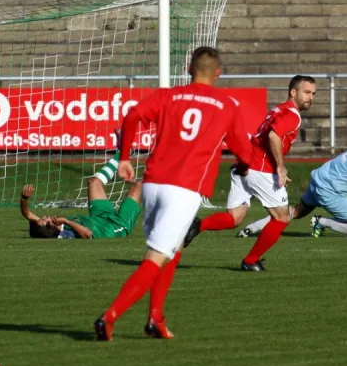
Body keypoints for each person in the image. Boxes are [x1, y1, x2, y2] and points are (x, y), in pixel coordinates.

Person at [93, 46, 252, 341]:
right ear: (218, 73)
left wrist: (125, 157)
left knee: (172, 249)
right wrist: (244, 166)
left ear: (189, 69)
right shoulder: (227, 105)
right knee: (156, 257)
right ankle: (109, 316)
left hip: (153, 184)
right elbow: (243, 150)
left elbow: (132, 116)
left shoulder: (168, 96)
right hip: (186, 189)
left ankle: (155, 319)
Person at [184, 75, 317, 272]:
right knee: (281, 218)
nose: (310, 98)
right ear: (293, 92)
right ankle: (250, 260)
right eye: (306, 92)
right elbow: (273, 136)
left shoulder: (279, 109)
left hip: (244, 165)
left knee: (235, 218)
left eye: (313, 94)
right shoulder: (292, 115)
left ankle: (197, 226)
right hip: (259, 170)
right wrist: (280, 167)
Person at [21, 131, 141, 240]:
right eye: (44, 219)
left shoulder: (51, 224)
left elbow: (27, 214)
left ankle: (123, 153)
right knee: (137, 187)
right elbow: (88, 234)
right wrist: (67, 221)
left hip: (100, 216)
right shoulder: (66, 235)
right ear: (50, 228)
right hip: (116, 226)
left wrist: (24, 198)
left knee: (94, 182)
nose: (45, 216)